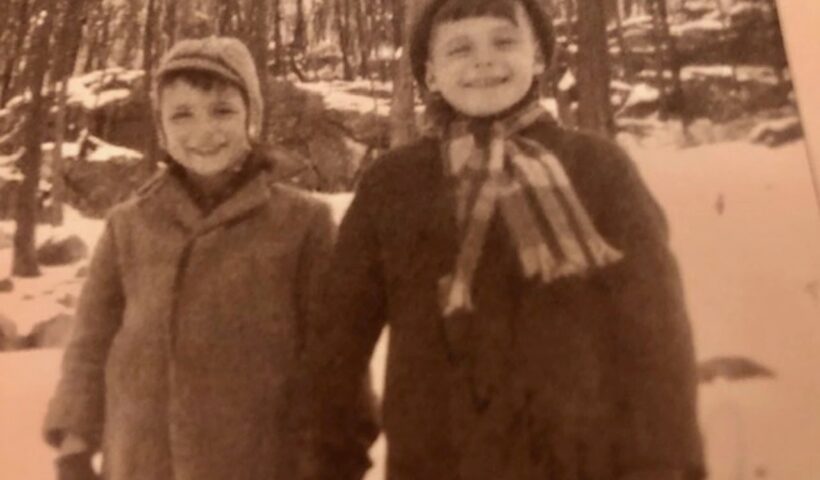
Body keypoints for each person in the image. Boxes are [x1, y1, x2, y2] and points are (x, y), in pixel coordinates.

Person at [306, 0, 705, 479]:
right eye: (459, 48)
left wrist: (666, 463)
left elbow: (656, 336)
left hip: (583, 460)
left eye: (503, 40)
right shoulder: (393, 184)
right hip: (438, 461)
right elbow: (338, 339)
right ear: (430, 74)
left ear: (538, 57)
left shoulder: (599, 168)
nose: (483, 60)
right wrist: (330, 457)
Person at [42, 36, 375, 480]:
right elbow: (88, 345)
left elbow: (336, 354)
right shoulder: (128, 225)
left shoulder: (304, 223)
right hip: (142, 461)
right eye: (182, 114)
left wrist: (340, 452)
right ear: (161, 127)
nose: (203, 132)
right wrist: (74, 447)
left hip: (265, 461)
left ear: (251, 118)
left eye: (222, 111)